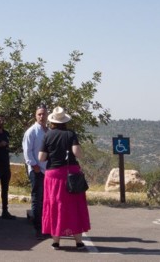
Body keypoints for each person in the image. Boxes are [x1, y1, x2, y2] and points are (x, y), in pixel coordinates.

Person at [38, 106, 90, 251]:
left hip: (53, 175)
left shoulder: (47, 135)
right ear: (65, 121)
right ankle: (79, 242)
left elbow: (41, 157)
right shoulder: (71, 134)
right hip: (71, 174)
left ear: (52, 121)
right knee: (74, 205)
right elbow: (77, 153)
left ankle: (56, 241)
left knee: (55, 206)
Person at [22, 105, 48, 239]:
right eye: (39, 114)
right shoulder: (31, 131)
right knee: (37, 199)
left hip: (48, 171)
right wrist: (34, 165)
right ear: (35, 115)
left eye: (44, 114)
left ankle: (45, 226)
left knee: (45, 199)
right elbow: (27, 151)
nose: (41, 117)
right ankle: (38, 228)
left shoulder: (48, 131)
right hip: (36, 170)